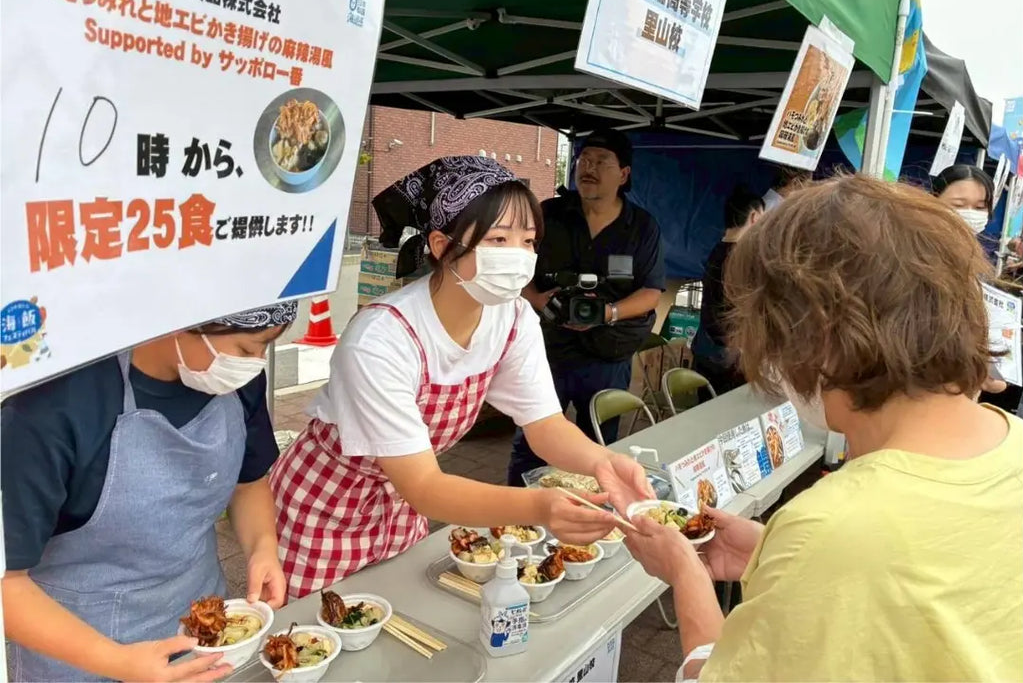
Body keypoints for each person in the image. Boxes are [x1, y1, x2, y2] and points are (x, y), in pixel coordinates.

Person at [623, 176, 1022, 681]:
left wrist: (684, 573)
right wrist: (775, 552)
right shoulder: (1009, 443)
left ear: (815, 337)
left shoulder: (833, 526)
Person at [271, 156, 652, 599]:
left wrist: (603, 465)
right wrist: (539, 507)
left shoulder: (512, 318)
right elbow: (425, 486)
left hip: (400, 506)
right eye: (498, 239)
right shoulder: (382, 337)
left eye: (528, 240)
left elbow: (545, 424)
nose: (519, 256)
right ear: (439, 243)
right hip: (323, 508)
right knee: (313, 641)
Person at [2, 302, 296, 682]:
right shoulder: (53, 411)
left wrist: (262, 547)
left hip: (204, 636)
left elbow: (249, 481)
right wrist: (118, 662)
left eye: (267, 347)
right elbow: (7, 584)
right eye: (245, 350)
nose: (255, 363)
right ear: (180, 320)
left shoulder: (237, 384)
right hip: (83, 656)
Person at [506, 130, 666, 486]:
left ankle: (585, 519)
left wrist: (607, 313)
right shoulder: (548, 214)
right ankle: (518, 514)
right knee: (532, 443)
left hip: (607, 356)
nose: (588, 168)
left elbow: (651, 292)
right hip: (548, 351)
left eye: (601, 162)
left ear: (623, 174)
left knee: (598, 446)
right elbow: (516, 266)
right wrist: (536, 298)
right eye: (584, 159)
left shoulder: (642, 227)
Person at [931, 163, 1021, 413]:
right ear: (932, 202)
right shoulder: (914, 258)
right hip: (919, 395)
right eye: (958, 205)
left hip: (962, 400)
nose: (970, 213)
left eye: (980, 207)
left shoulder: (975, 261)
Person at [690, 188, 763, 397]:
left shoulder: (716, 251)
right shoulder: (742, 259)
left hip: (706, 351)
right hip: (730, 359)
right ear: (754, 217)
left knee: (705, 417)